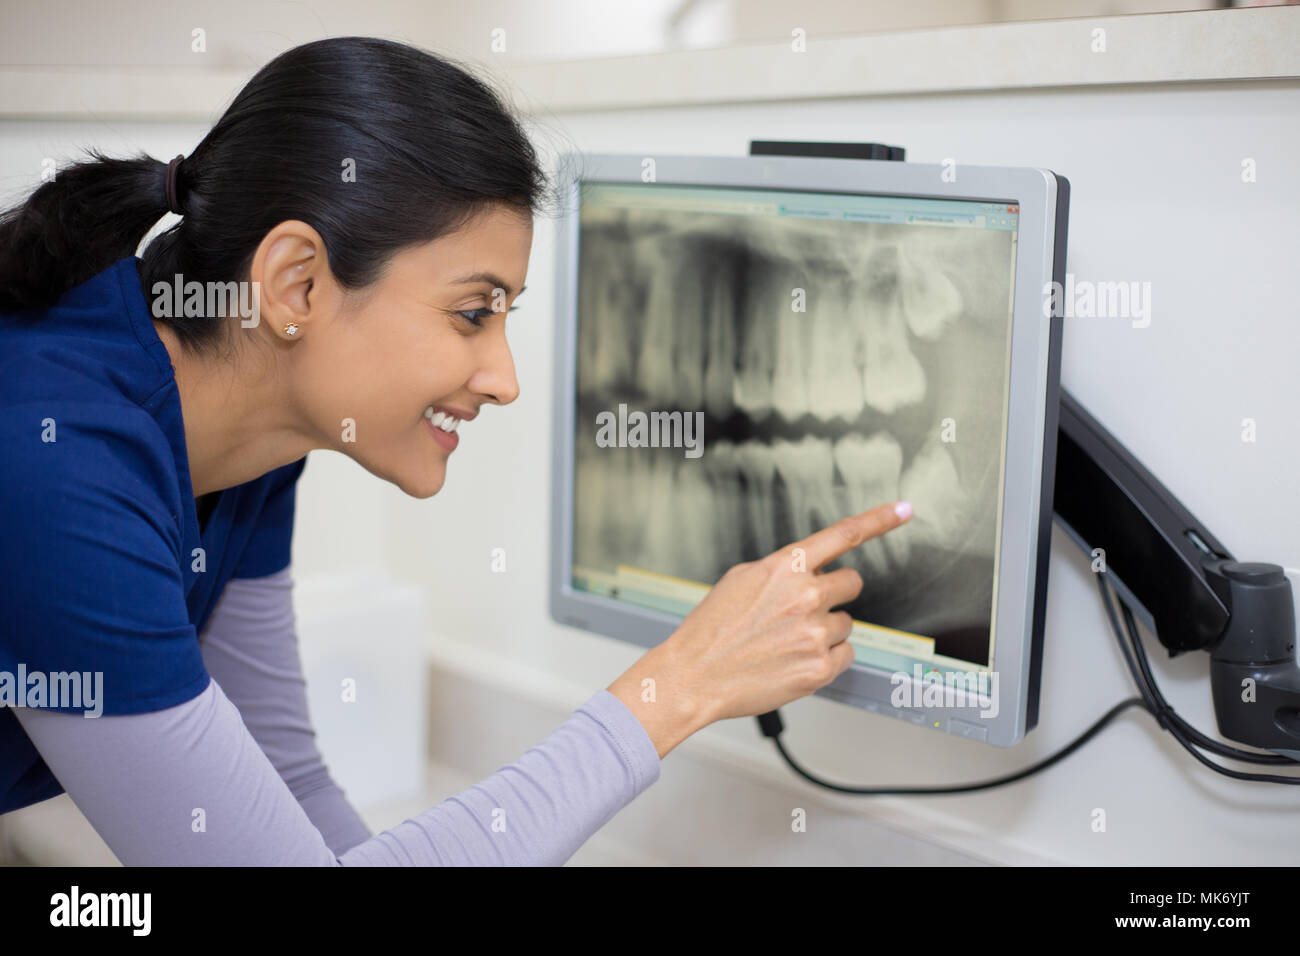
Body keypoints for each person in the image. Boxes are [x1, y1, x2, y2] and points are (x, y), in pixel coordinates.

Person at [0, 35, 913, 866]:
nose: (504, 377)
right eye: (473, 312)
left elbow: (292, 786)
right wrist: (675, 689)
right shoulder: (59, 470)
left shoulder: (253, 445)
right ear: (296, 283)